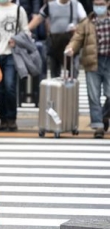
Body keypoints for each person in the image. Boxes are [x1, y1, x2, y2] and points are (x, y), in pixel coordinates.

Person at [0, 0, 29, 131]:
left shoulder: (19, 10)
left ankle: (11, 118)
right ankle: (3, 119)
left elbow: (26, 31)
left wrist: (18, 40)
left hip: (12, 54)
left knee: (10, 86)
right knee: (0, 89)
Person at [65, 0, 110, 138]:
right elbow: (77, 38)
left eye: (101, 4)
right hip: (92, 62)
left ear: (108, 4)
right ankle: (98, 126)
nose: (98, 7)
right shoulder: (87, 22)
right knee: (93, 95)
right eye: (96, 4)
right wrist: (71, 47)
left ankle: (103, 116)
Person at [28, 0, 87, 78]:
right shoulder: (50, 6)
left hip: (72, 45)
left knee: (73, 73)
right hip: (55, 44)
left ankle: (71, 87)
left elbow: (85, 23)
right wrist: (26, 29)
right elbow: (39, 19)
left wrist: (77, 28)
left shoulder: (77, 5)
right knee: (54, 75)